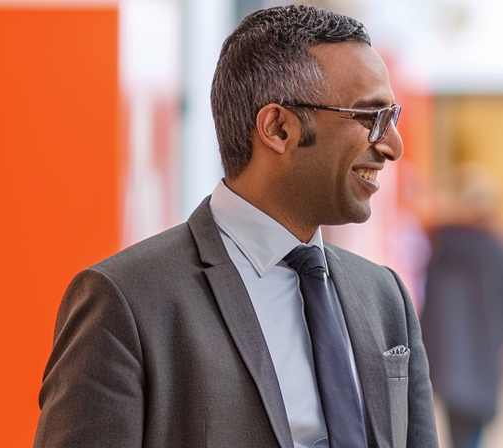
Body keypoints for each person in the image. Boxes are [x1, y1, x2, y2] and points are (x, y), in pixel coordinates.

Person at [34, 6, 435, 448]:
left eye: (391, 117)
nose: (393, 146)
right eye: (368, 116)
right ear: (278, 129)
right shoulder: (125, 302)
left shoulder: (384, 296)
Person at [419, 169, 503, 448]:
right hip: (484, 357)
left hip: (448, 362)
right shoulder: (499, 250)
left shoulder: (441, 247)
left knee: (459, 432)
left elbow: (430, 310)